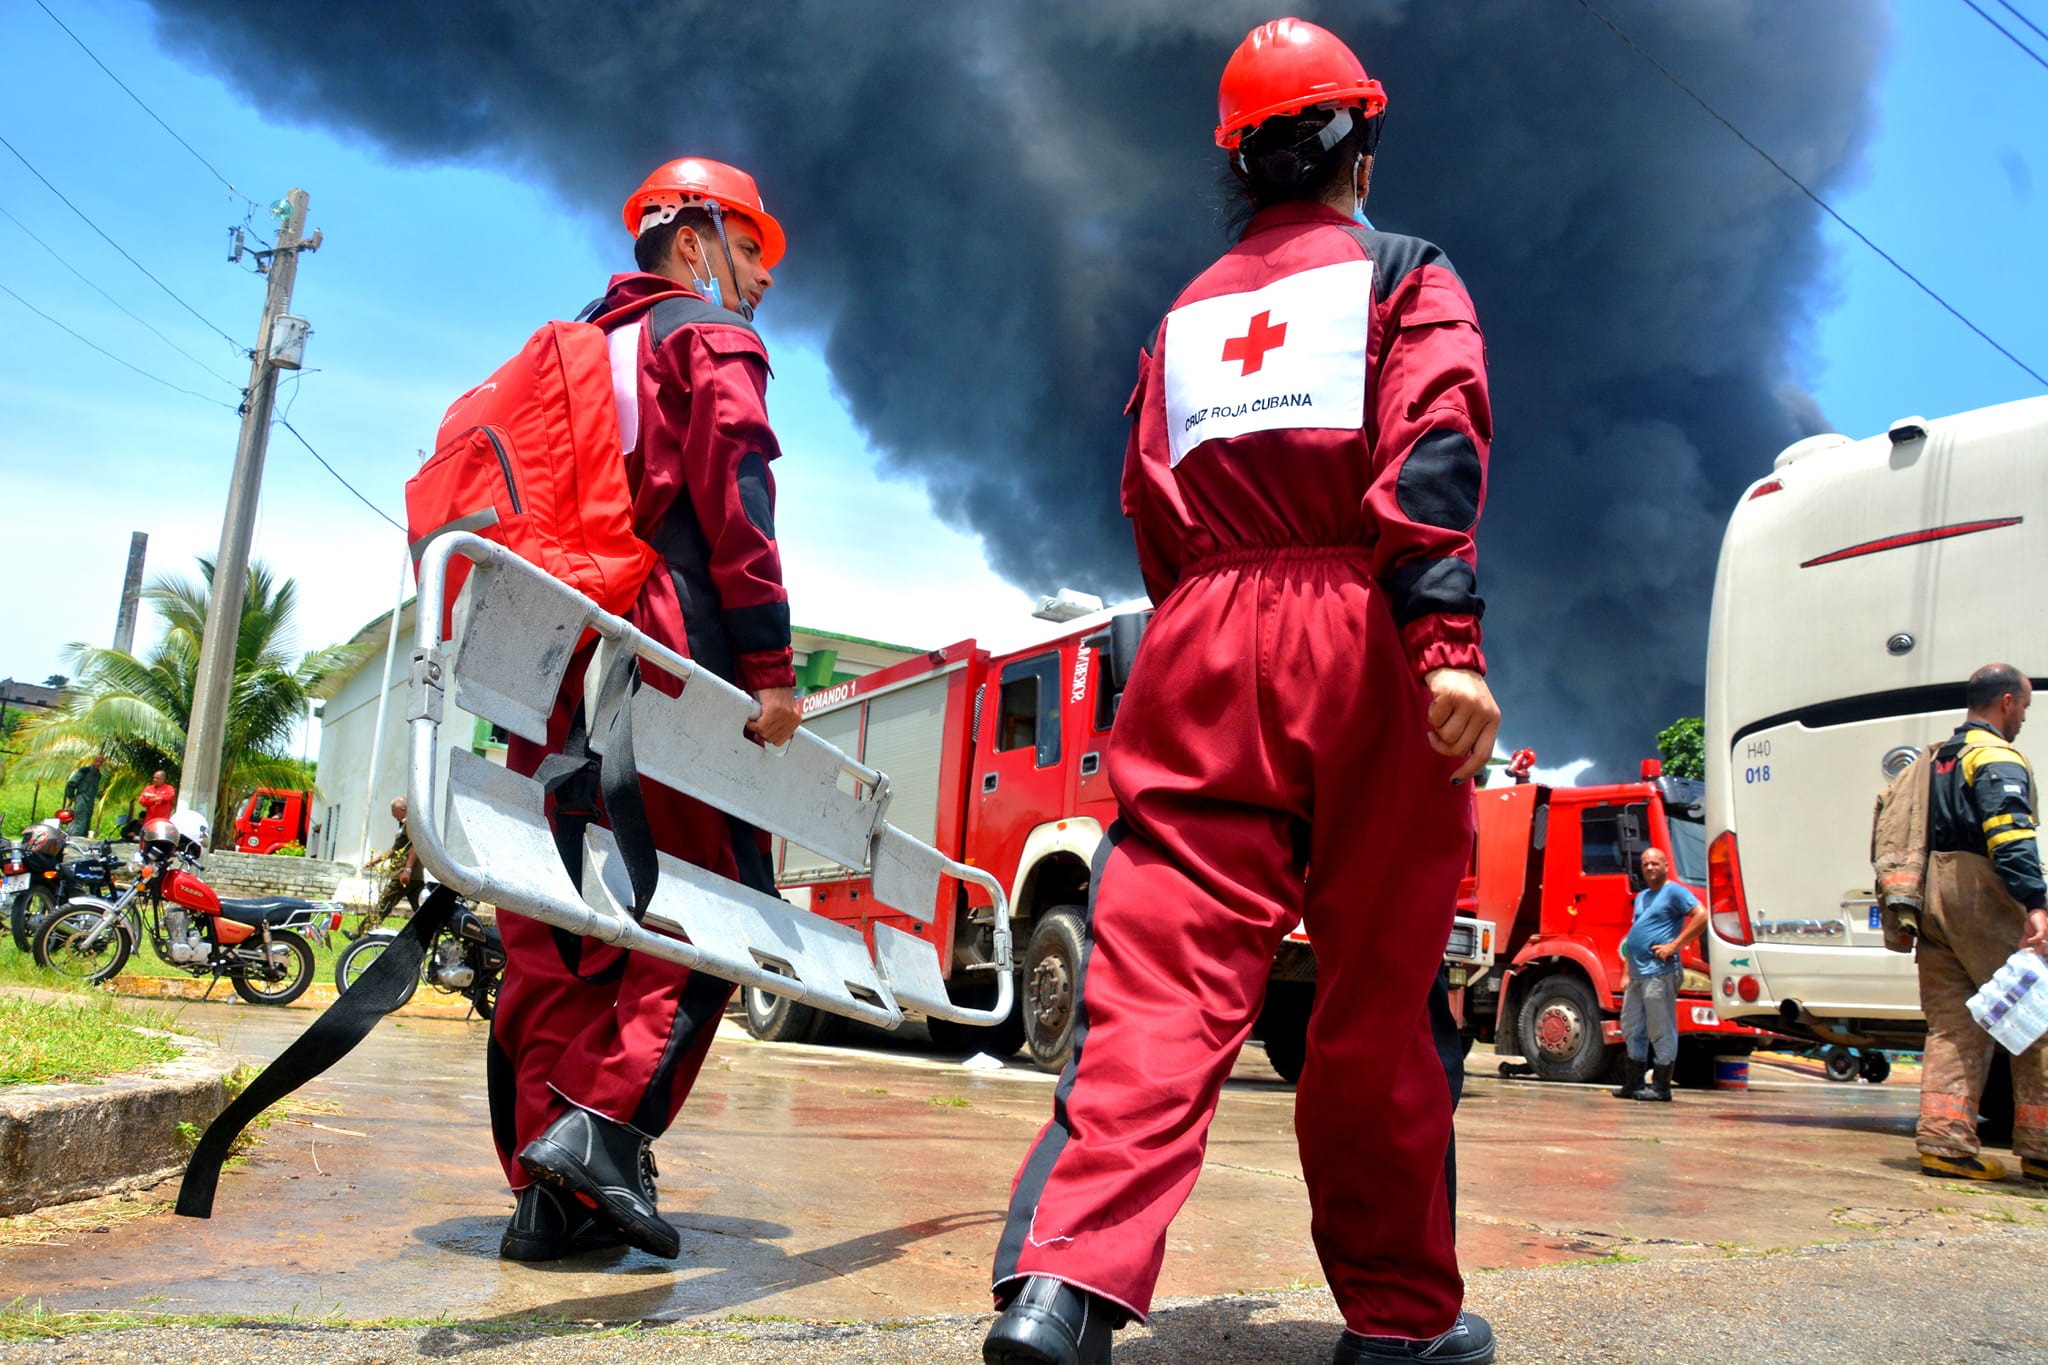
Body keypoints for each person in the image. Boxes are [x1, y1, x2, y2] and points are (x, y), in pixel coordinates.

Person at [984, 20, 1500, 1365]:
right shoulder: (1405, 274)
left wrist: (1214, 603)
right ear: (1361, 143)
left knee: (1155, 985)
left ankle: (1062, 1288)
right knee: (1380, 997)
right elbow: (1434, 447)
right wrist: (1445, 647)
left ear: (1240, 163)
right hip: (1368, 631)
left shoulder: (1187, 316)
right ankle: (1397, 1324)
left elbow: (1146, 504)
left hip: (1202, 634)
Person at [489, 156, 801, 1265]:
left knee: (565, 925)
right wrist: (769, 666)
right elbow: (738, 496)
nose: (761, 278)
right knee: (712, 905)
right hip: (662, 641)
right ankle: (608, 1131)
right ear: (694, 239)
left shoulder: (571, 349)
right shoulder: (703, 337)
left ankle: (547, 1193)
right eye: (752, 249)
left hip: (549, 648)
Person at [1917, 662, 2048, 1182]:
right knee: (2035, 1011)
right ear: (2008, 702)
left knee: (1952, 1025)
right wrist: (2035, 903)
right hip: (1978, 893)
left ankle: (1944, 1144)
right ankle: (2041, 1149)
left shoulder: (1936, 759)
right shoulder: (1995, 756)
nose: (2022, 722)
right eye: (2024, 709)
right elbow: (2010, 834)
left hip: (1929, 896)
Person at [1609, 847, 1705, 1103]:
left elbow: (1701, 916)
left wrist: (1674, 946)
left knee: (1660, 1029)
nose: (1650, 867)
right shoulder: (1642, 897)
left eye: (1654, 863)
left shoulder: (1674, 891)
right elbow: (1634, 936)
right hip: (1638, 975)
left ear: (1665, 865)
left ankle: (1661, 1086)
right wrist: (1626, 972)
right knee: (1631, 1027)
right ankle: (1634, 1082)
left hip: (1659, 973)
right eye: (1645, 864)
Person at [373, 796, 423, 927]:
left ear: (403, 809)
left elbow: (415, 845)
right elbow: (395, 849)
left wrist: (407, 869)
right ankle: (433, 936)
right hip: (413, 876)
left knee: (385, 903)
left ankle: (361, 933)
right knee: (421, 910)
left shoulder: (411, 824)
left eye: (393, 811)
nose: (392, 815)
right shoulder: (404, 825)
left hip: (405, 874)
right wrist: (376, 860)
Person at [62, 756, 103, 835]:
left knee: (87, 824)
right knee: (80, 823)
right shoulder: (84, 771)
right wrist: (71, 796)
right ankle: (74, 842)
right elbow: (71, 783)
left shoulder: (98, 775)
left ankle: (83, 844)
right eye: (97, 761)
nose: (99, 764)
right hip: (82, 799)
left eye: (101, 762)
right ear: (93, 760)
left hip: (90, 801)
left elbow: (94, 789)